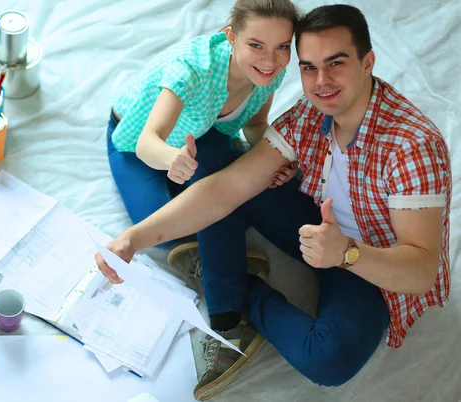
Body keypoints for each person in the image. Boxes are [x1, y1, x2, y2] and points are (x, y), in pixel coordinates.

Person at [95, 4, 452, 401]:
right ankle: (225, 300)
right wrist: (132, 239)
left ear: (368, 61)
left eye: (336, 63)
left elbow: (422, 271)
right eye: (309, 67)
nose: (322, 82)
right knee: (216, 162)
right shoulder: (308, 112)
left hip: (371, 264)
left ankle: (243, 287)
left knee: (328, 360)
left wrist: (348, 253)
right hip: (314, 220)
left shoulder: (413, 147)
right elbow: (224, 189)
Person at [107, 0, 300, 249]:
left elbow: (255, 124)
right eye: (256, 45)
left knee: (242, 201)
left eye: (282, 47)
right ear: (231, 36)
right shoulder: (191, 70)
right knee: (162, 233)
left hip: (202, 132)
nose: (270, 61)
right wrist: (171, 159)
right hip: (134, 141)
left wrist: (279, 156)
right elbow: (147, 142)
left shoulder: (272, 73)